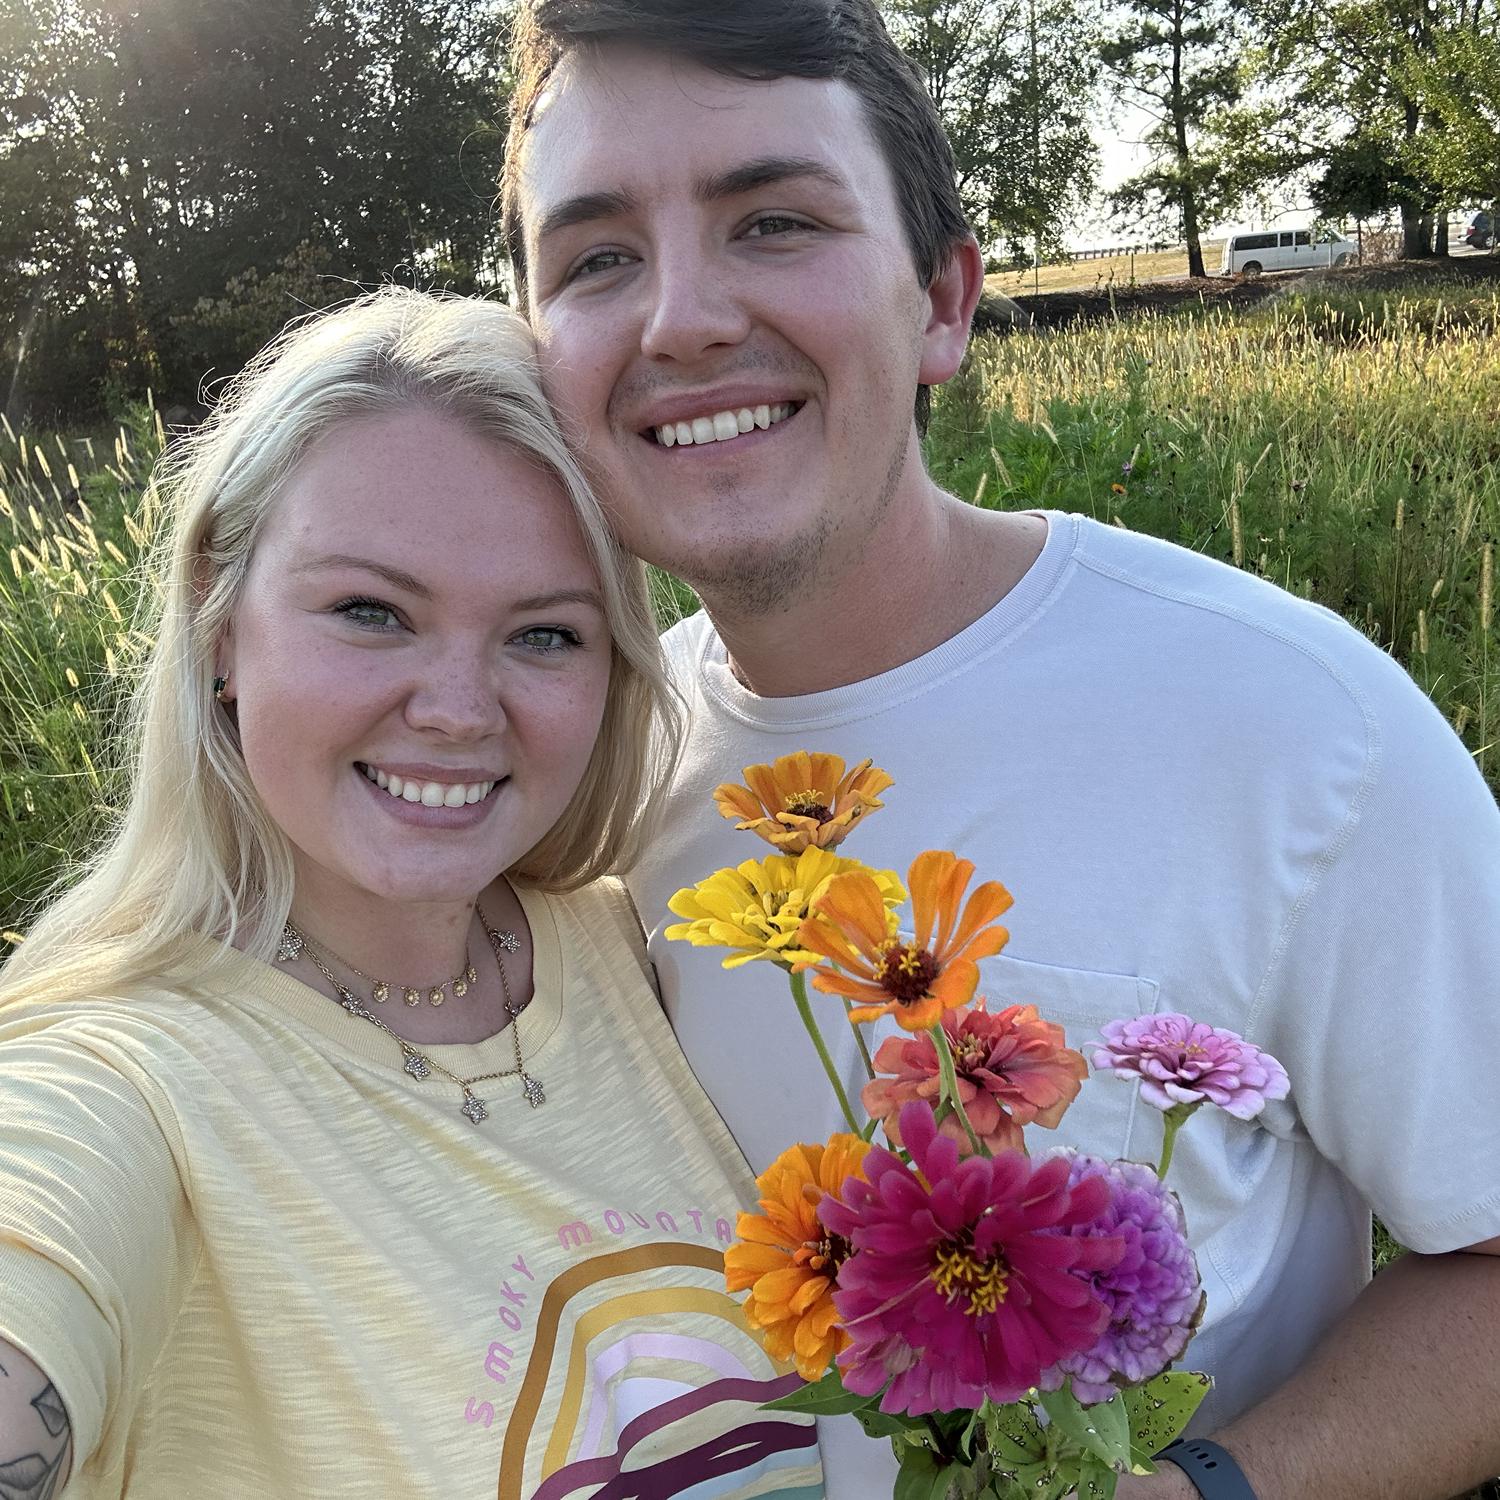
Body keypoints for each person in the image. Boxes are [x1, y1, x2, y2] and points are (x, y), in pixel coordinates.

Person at [500, 5, 1500, 1498]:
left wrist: (1200, 1490)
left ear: (946, 302)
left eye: (773, 221)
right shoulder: (565, 783)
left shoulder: (1291, 726)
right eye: (595, 257)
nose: (682, 320)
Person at [0, 289, 824, 1499]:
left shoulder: (638, 945)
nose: (454, 709)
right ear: (220, 627)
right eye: (371, 612)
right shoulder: (124, 1077)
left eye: (543, 634)